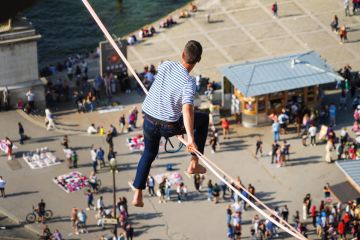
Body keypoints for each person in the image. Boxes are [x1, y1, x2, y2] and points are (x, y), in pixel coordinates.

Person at [132, 40, 208, 207]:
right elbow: (188, 109)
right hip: (167, 126)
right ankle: (194, 163)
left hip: (149, 120)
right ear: (198, 60)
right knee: (203, 119)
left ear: (182, 54)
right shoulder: (189, 82)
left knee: (148, 154)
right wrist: (191, 139)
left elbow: (166, 88)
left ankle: (137, 194)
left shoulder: (166, 65)